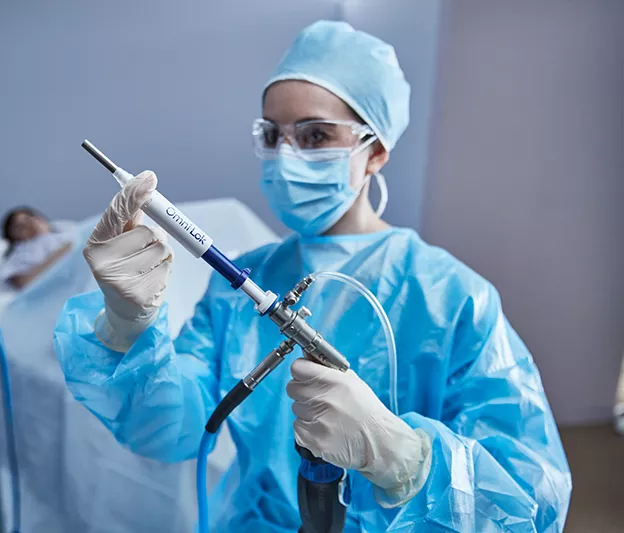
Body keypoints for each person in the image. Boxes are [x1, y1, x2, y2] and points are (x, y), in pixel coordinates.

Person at [54, 21, 571, 532]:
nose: (286, 156)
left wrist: (405, 459)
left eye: (316, 135)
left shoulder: (452, 297)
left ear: (375, 151)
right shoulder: (245, 280)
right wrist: (127, 328)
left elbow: (531, 503)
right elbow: (170, 429)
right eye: (272, 134)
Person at [0, 206, 73, 288]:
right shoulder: (16, 258)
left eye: (28, 219)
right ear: (11, 235)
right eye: (19, 225)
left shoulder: (67, 234)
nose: (27, 224)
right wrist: (62, 252)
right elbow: (23, 282)